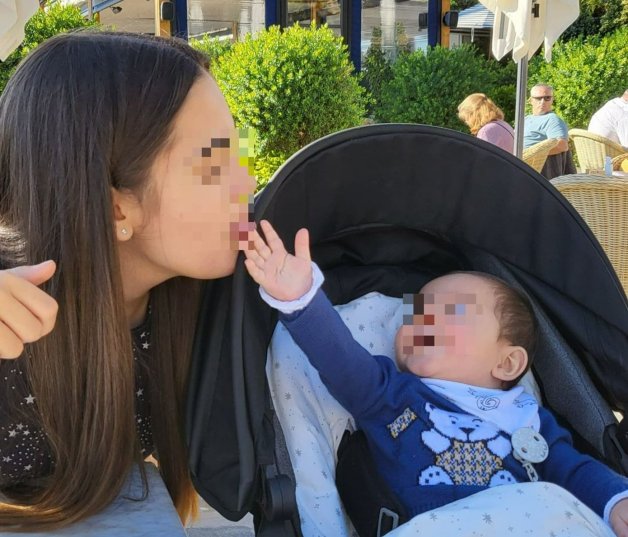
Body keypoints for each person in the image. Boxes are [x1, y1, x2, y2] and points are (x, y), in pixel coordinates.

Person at [0, 32, 255, 529]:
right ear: (116, 205)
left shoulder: (212, 302)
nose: (247, 181)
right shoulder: (13, 296)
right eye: (215, 164)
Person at [244, 220, 628, 536]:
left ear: (508, 364)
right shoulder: (393, 395)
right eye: (416, 314)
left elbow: (575, 472)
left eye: (453, 312)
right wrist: (302, 300)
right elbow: (342, 361)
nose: (424, 319)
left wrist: (615, 499)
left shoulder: (530, 422)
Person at [523, 84, 576, 179]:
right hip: (517, 161)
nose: (543, 102)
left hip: (531, 167)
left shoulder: (552, 119)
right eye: (538, 98)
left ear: (552, 99)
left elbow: (562, 145)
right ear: (531, 100)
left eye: (547, 98)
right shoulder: (526, 119)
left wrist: (535, 155)